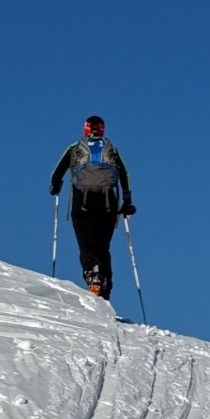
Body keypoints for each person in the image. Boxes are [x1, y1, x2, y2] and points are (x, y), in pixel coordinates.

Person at [50, 115, 136, 299]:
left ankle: (93, 275)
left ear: (86, 129)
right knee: (103, 247)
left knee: (86, 243)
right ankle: (106, 287)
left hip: (82, 202)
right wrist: (127, 201)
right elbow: (124, 174)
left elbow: (56, 174)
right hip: (108, 203)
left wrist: (55, 187)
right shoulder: (112, 149)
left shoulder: (74, 148)